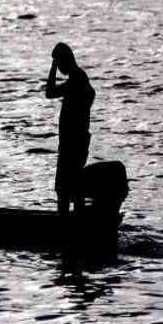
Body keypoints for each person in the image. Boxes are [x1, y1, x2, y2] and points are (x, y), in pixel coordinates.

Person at [45, 43, 94, 217]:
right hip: (74, 143)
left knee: (65, 190)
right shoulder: (78, 78)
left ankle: (66, 225)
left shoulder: (77, 80)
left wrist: (52, 66)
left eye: (58, 64)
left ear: (64, 61)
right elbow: (50, 93)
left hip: (73, 144)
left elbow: (49, 92)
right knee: (72, 189)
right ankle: (72, 222)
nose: (58, 69)